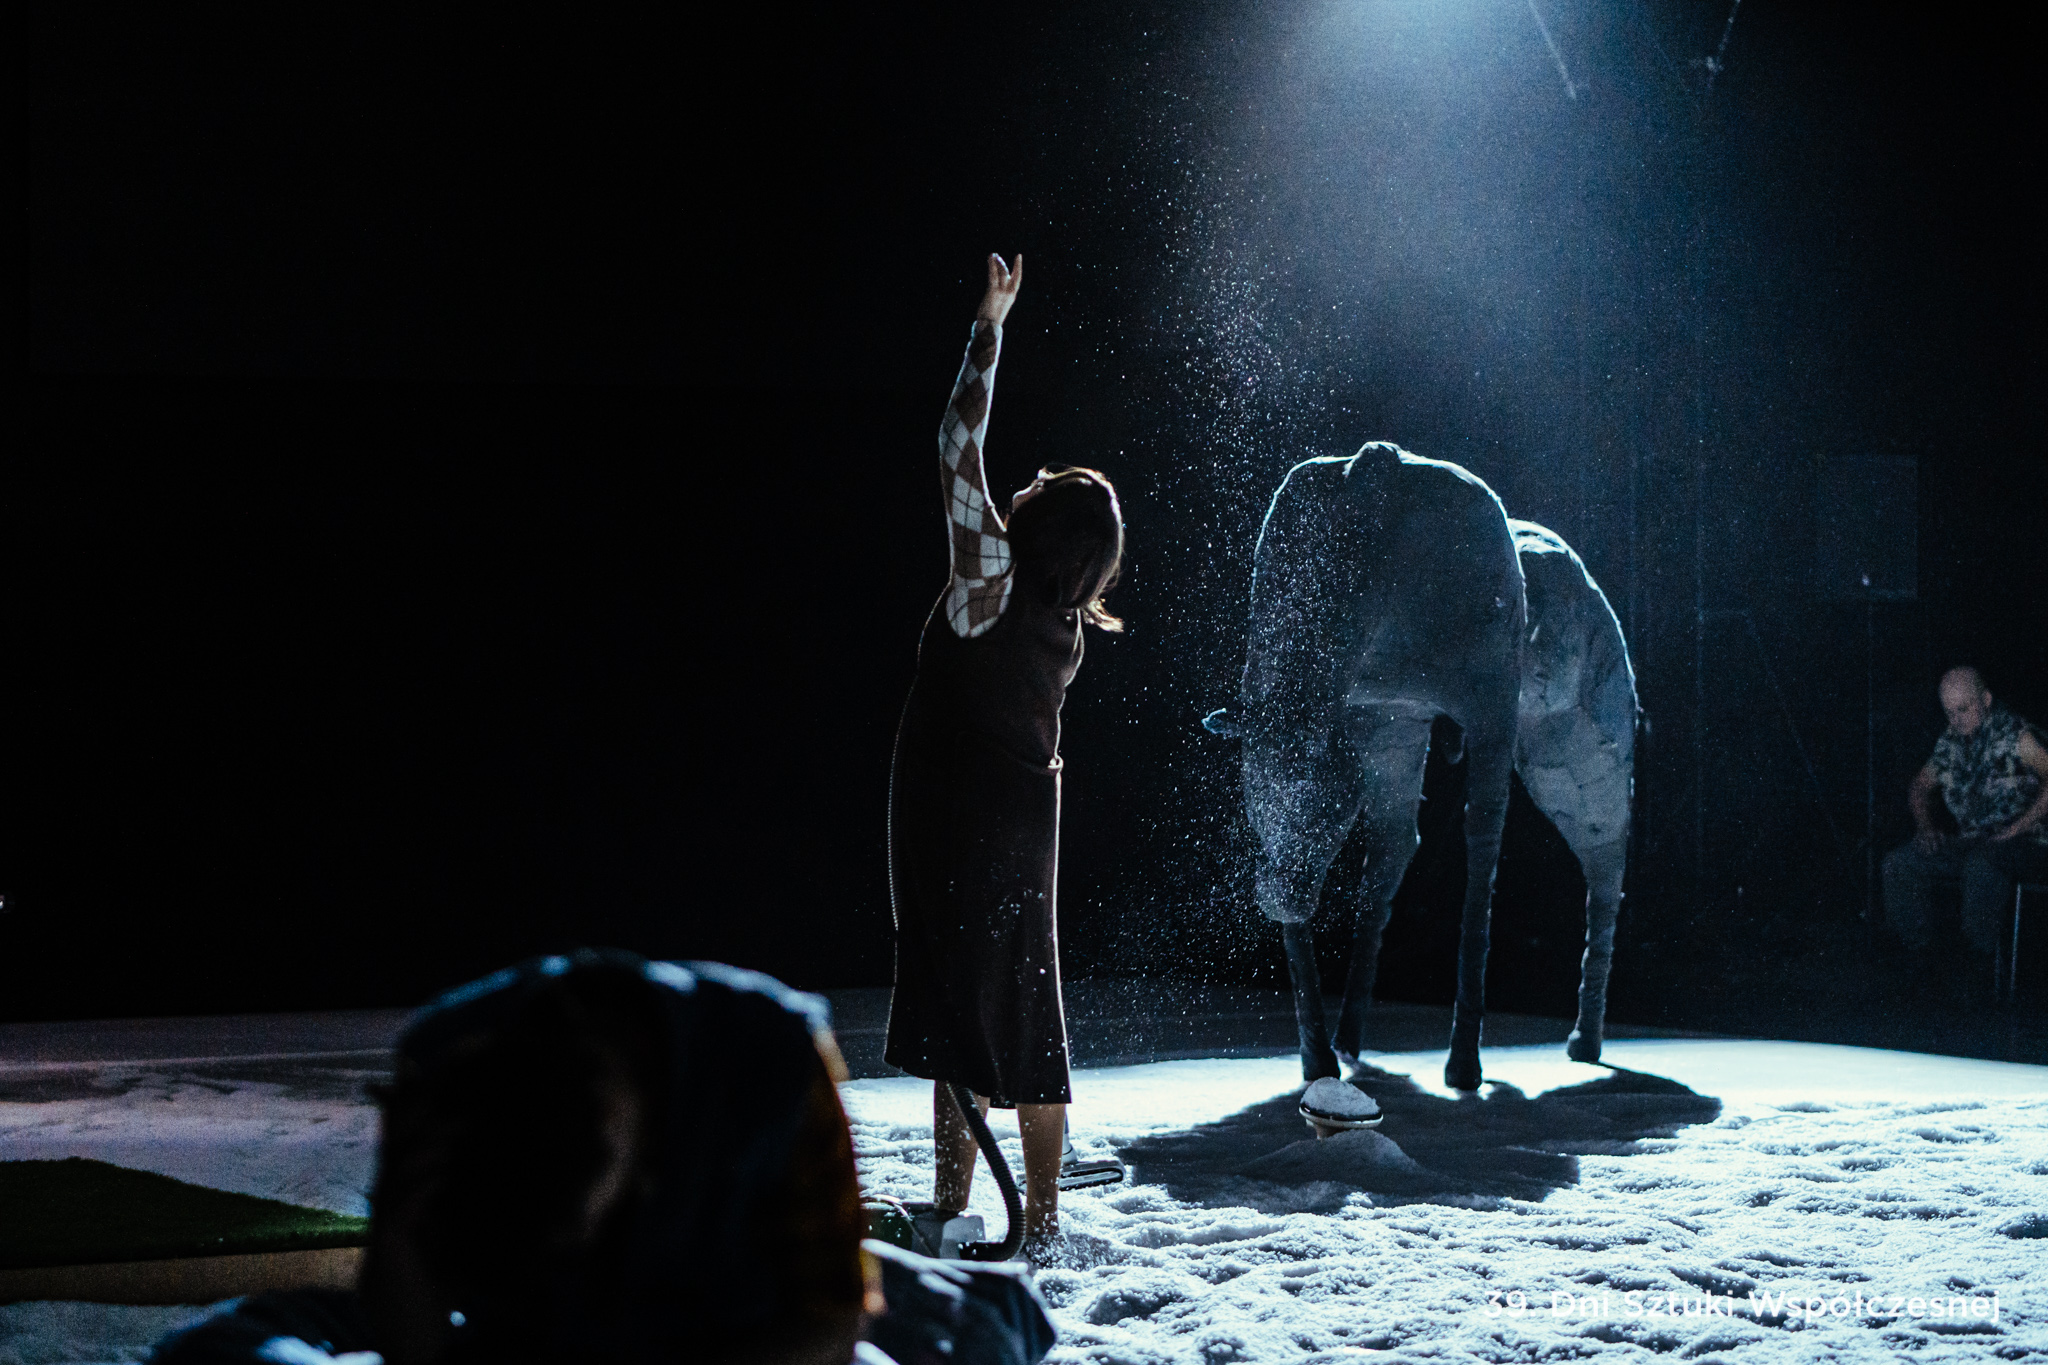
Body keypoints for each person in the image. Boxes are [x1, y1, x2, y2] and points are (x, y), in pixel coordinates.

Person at [150, 950, 1053, 1365]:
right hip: (544, 1324)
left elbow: (826, 1323)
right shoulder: (448, 1085)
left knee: (979, 1333)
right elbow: (409, 1332)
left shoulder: (773, 1058)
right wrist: (404, 1236)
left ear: (646, 1151)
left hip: (736, 1286)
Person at [883, 253, 1125, 1260]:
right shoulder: (1063, 618)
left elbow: (955, 441)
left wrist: (989, 323)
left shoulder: (990, 575)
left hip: (958, 818)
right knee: (1026, 1010)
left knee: (956, 1008)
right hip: (1026, 828)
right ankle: (1041, 1222)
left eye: (1041, 485)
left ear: (1042, 526)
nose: (1024, 482)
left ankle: (955, 1204)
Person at [1882, 667, 2048, 983]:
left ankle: (1977, 965)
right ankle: (1918, 958)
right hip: (1975, 841)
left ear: (1985, 700)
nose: (1956, 719)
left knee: (1982, 864)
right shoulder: (1950, 742)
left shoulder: (2016, 734)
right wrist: (1926, 827)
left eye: (1963, 709)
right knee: (1899, 864)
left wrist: (2018, 827)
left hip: (2027, 842)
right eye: (1949, 712)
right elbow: (1919, 786)